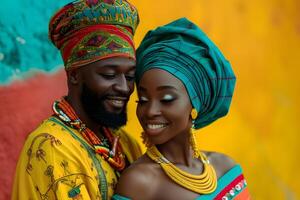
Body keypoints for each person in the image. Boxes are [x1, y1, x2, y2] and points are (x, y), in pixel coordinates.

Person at [12, 0, 142, 199]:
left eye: (130, 77)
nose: (124, 88)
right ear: (74, 75)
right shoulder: (52, 146)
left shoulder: (125, 143)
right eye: (109, 75)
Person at [113, 18, 251, 200]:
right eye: (143, 100)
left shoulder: (225, 168)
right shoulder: (140, 183)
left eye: (167, 99)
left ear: (195, 105)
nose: (150, 111)